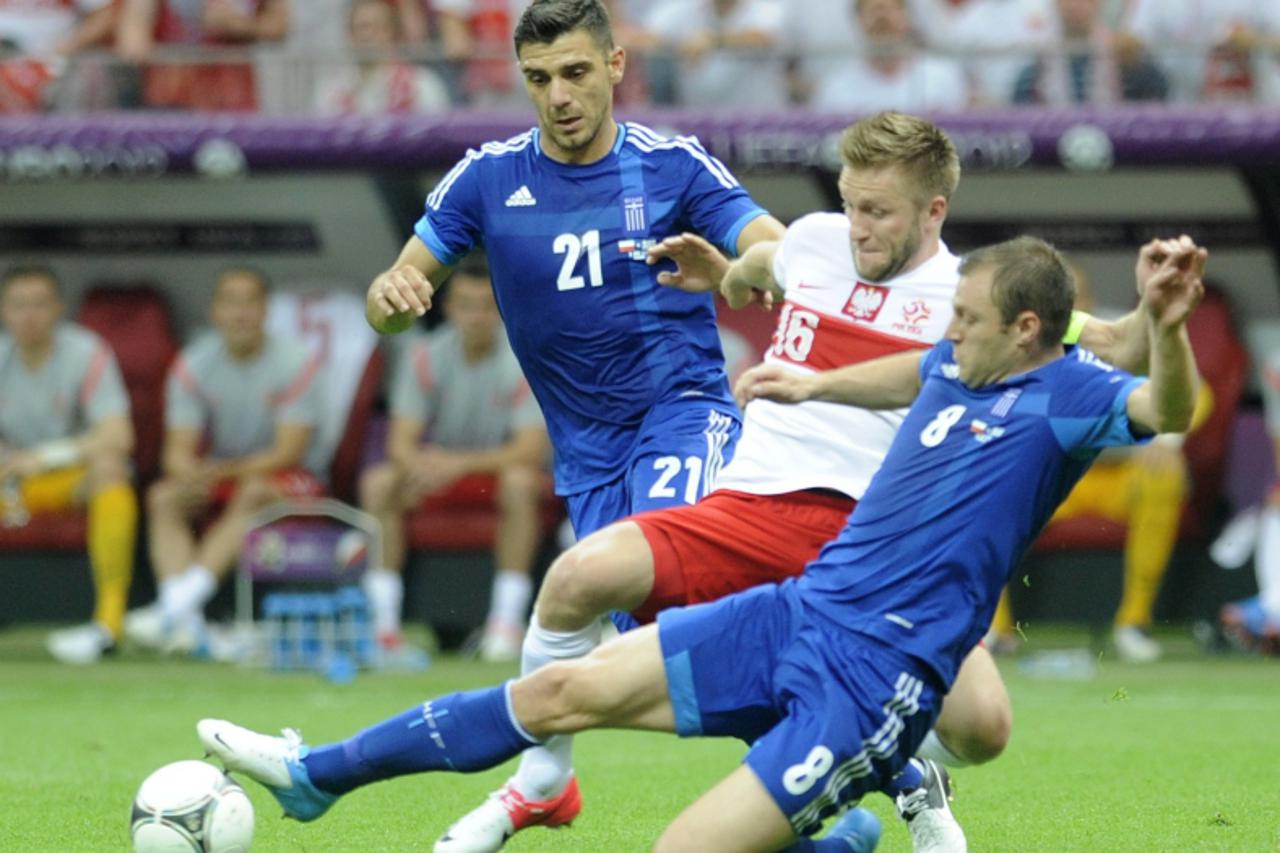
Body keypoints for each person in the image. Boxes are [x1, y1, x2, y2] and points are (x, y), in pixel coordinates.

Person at [199, 234, 1203, 853]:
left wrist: (1161, 322)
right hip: (796, 611)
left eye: (967, 318)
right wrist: (808, 381)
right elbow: (906, 372)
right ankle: (315, 776)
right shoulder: (955, 363)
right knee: (557, 691)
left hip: (876, 678)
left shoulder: (1067, 398)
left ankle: (836, 827)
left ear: (1028, 328)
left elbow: (1168, 406)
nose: (949, 331)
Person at [426, 111, 1186, 853]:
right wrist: (725, 275)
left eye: (876, 210)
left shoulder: (971, 298)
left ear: (933, 210)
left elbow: (1119, 347)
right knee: (589, 584)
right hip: (757, 507)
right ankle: (540, 779)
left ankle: (898, 765)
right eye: (850, 202)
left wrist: (1158, 310)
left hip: (875, 552)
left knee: (983, 726)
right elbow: (757, 270)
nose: (855, 225)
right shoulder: (815, 242)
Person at [365, 2, 784, 564]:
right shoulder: (486, 179)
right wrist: (389, 297)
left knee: (662, 566)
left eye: (575, 73)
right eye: (539, 78)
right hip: (585, 454)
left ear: (615, 64)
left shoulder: (672, 165)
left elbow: (778, 249)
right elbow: (389, 302)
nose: (558, 96)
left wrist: (734, 275)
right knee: (634, 614)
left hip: (680, 412)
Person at [988, 265, 1213, 662]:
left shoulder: (1118, 333)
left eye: (1075, 298)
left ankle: (1133, 622)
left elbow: (1196, 390)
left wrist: (1168, 439)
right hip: (1051, 477)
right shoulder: (1017, 344)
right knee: (987, 485)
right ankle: (990, 630)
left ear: (1088, 302)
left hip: (1116, 475)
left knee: (1164, 475)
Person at [360, 257, 550, 664]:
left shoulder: (522, 356)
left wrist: (457, 465)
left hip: (493, 475)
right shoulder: (425, 356)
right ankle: (384, 628)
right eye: (466, 305)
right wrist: (421, 466)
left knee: (521, 482)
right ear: (448, 309)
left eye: (486, 306)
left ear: (500, 309)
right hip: (440, 474)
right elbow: (400, 442)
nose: (476, 316)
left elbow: (530, 450)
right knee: (379, 483)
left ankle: (504, 624)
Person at [125, 267, 324, 653]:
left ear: (266, 311)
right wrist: (193, 476)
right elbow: (176, 454)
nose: (240, 313)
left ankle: (172, 610)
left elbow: (289, 452)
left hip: (295, 479)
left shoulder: (297, 361)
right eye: (230, 302)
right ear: (214, 311)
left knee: (253, 491)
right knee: (165, 495)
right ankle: (189, 625)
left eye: (250, 302)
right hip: (226, 473)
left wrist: (220, 471)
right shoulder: (193, 364)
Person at [0, 264, 136, 665]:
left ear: (58, 308)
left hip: (69, 479)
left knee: (110, 469)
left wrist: (43, 458)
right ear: (4, 310)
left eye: (40, 304)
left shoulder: (86, 352)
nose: (29, 315)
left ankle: (108, 624)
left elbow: (118, 436)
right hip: (12, 485)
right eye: (18, 305)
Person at [809, 0, 970, 113]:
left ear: (906, 17)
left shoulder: (943, 78)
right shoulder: (836, 89)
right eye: (873, 12)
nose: (882, 19)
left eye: (890, 10)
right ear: (859, 21)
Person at [1012, 0, 1168, 105]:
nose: (1074, 5)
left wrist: (1137, 62)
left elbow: (1157, 96)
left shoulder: (1124, 56)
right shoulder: (1037, 69)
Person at [313, 0, 451, 116]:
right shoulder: (331, 88)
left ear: (391, 34)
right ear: (349, 35)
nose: (367, 35)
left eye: (376, 27)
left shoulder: (420, 84)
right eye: (361, 27)